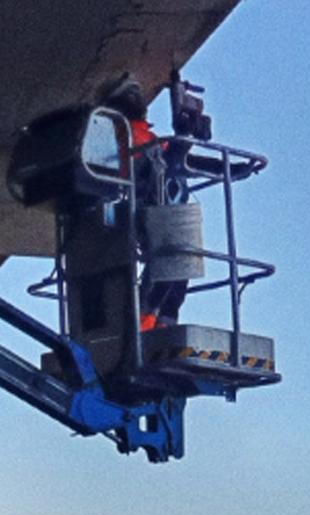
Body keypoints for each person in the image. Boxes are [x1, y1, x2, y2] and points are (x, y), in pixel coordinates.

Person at [100, 74, 189, 331]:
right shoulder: (121, 138)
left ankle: (163, 323)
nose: (139, 101)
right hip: (147, 206)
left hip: (166, 205)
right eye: (132, 96)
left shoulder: (145, 136)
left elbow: (176, 161)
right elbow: (142, 166)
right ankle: (143, 324)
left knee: (182, 266)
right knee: (164, 266)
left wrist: (187, 139)